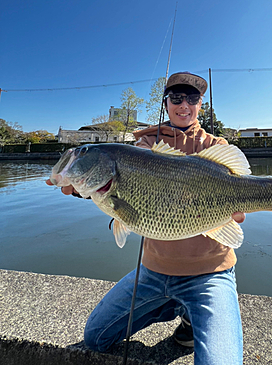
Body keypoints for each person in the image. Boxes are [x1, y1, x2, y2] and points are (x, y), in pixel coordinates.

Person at [48, 72, 245, 365]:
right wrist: (81, 188)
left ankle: (192, 317)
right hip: (154, 273)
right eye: (176, 98)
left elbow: (237, 206)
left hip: (210, 275)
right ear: (166, 103)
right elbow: (126, 174)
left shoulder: (217, 147)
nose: (184, 105)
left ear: (200, 104)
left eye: (192, 99)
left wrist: (234, 209)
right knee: (95, 338)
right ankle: (174, 306)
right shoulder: (143, 145)